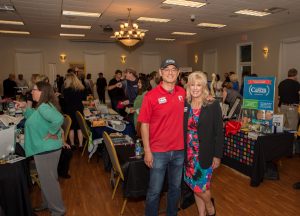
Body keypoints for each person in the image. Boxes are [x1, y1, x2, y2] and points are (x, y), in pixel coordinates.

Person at [138, 58, 185, 216]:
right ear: (160, 72)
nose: (170, 72)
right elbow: (144, 124)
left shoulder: (183, 93)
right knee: (154, 192)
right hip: (158, 152)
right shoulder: (150, 96)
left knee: (175, 189)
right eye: (166, 69)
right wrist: (147, 150)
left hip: (179, 150)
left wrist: (208, 99)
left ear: (178, 73)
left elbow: (198, 100)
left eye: (173, 69)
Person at [15, 81, 65, 216]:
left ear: (42, 92)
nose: (32, 92)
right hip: (46, 148)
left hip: (46, 149)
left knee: (49, 182)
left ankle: (58, 211)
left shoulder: (44, 107)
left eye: (34, 90)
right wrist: (25, 106)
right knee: (46, 179)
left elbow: (59, 119)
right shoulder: (42, 106)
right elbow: (33, 117)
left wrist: (51, 132)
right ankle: (47, 203)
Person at [184, 71, 223, 216]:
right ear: (188, 86)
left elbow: (219, 132)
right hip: (188, 154)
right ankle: (202, 214)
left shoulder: (212, 104)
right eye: (192, 84)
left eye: (198, 85)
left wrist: (217, 156)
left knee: (201, 188)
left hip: (205, 153)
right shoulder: (186, 104)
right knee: (194, 186)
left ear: (204, 87)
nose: (195, 88)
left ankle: (210, 207)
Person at [63, 73, 86, 149]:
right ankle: (80, 145)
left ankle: (72, 144)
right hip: (79, 110)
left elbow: (66, 101)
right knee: (80, 128)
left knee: (71, 128)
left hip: (70, 110)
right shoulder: (81, 89)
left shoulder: (66, 90)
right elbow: (83, 99)